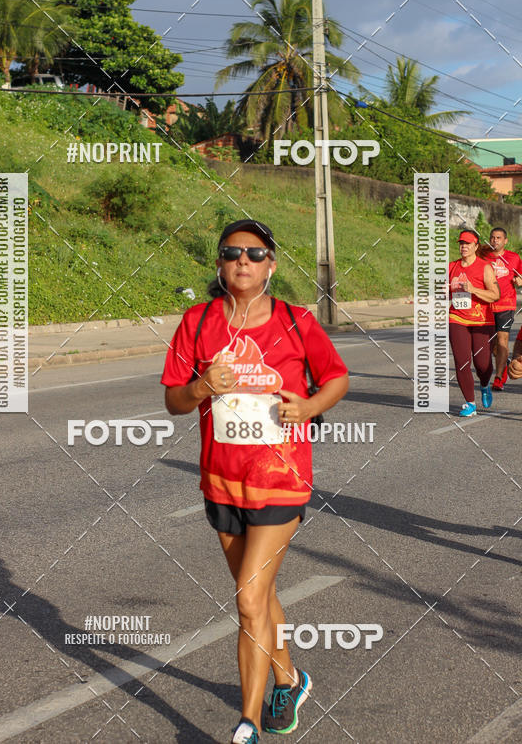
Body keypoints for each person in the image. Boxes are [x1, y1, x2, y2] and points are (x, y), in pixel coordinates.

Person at [161, 219, 349, 744]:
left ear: (271, 264)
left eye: (254, 253)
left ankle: (247, 722)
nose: (242, 260)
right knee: (258, 594)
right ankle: (290, 678)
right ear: (220, 264)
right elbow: (173, 401)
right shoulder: (197, 322)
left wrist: (310, 405)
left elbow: (337, 376)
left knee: (246, 599)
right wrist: (200, 386)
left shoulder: (294, 320)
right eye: (231, 252)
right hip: (221, 482)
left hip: (280, 479)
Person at [449, 229, 500, 417]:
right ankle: (470, 403)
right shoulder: (452, 267)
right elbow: (444, 293)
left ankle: (485, 384)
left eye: (468, 243)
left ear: (475, 246)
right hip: (457, 318)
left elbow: (495, 295)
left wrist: (473, 289)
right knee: (462, 362)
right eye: (461, 243)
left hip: (482, 321)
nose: (463, 246)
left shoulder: (484, 267)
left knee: (482, 365)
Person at [486, 227, 522, 390]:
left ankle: (499, 377)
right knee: (491, 345)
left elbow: (520, 276)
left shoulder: (513, 258)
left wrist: (519, 280)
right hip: (486, 305)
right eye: (493, 237)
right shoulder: (483, 255)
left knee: (503, 340)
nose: (495, 240)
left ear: (505, 241)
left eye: (499, 238)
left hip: (506, 304)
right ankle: (505, 364)